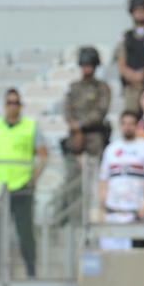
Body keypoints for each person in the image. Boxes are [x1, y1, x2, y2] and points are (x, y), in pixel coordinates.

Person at [0, 88, 47, 277]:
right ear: (5, 105)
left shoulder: (30, 126)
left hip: (21, 189)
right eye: (10, 103)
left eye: (16, 103)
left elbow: (43, 155)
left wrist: (33, 178)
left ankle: (31, 272)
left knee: (25, 233)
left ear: (21, 106)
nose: (13, 106)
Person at [61, 45, 111, 211]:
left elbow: (100, 112)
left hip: (95, 141)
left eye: (89, 65)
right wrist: (75, 127)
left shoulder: (102, 87)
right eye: (84, 65)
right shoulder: (74, 87)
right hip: (75, 140)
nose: (86, 68)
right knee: (73, 182)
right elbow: (67, 109)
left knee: (95, 182)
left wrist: (81, 125)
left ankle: (97, 214)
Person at [97, 111, 144, 249]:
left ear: (137, 126)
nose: (128, 127)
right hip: (114, 211)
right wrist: (101, 207)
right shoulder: (111, 149)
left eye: (131, 124)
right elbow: (104, 180)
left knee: (136, 260)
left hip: (136, 212)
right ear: (120, 126)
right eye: (124, 124)